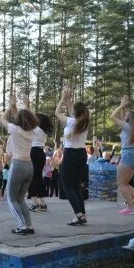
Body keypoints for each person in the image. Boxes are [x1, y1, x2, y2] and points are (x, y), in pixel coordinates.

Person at [0, 91, 39, 235]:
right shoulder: (32, 131)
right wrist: (26, 105)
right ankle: (28, 225)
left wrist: (10, 106)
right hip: (29, 166)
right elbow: (27, 117)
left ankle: (21, 225)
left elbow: (2, 119)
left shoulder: (14, 129)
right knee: (21, 198)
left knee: (11, 199)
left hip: (18, 166)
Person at [55, 87, 89, 226]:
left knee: (67, 186)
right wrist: (69, 100)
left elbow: (57, 112)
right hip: (82, 154)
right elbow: (71, 113)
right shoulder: (84, 122)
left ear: (76, 113)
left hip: (71, 154)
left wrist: (63, 98)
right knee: (76, 187)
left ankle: (78, 214)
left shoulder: (72, 122)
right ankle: (82, 215)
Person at [110, 95, 134, 215]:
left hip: (128, 155)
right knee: (126, 183)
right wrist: (122, 106)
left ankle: (131, 207)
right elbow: (119, 118)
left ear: (129, 119)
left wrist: (121, 105)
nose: (124, 115)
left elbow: (112, 117)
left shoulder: (127, 127)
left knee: (121, 183)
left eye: (126, 115)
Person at [28, 114, 53, 212]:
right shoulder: (43, 131)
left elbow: (28, 118)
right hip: (40, 154)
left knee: (32, 178)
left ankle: (35, 203)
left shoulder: (36, 129)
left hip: (34, 153)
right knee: (38, 178)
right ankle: (42, 203)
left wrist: (26, 105)